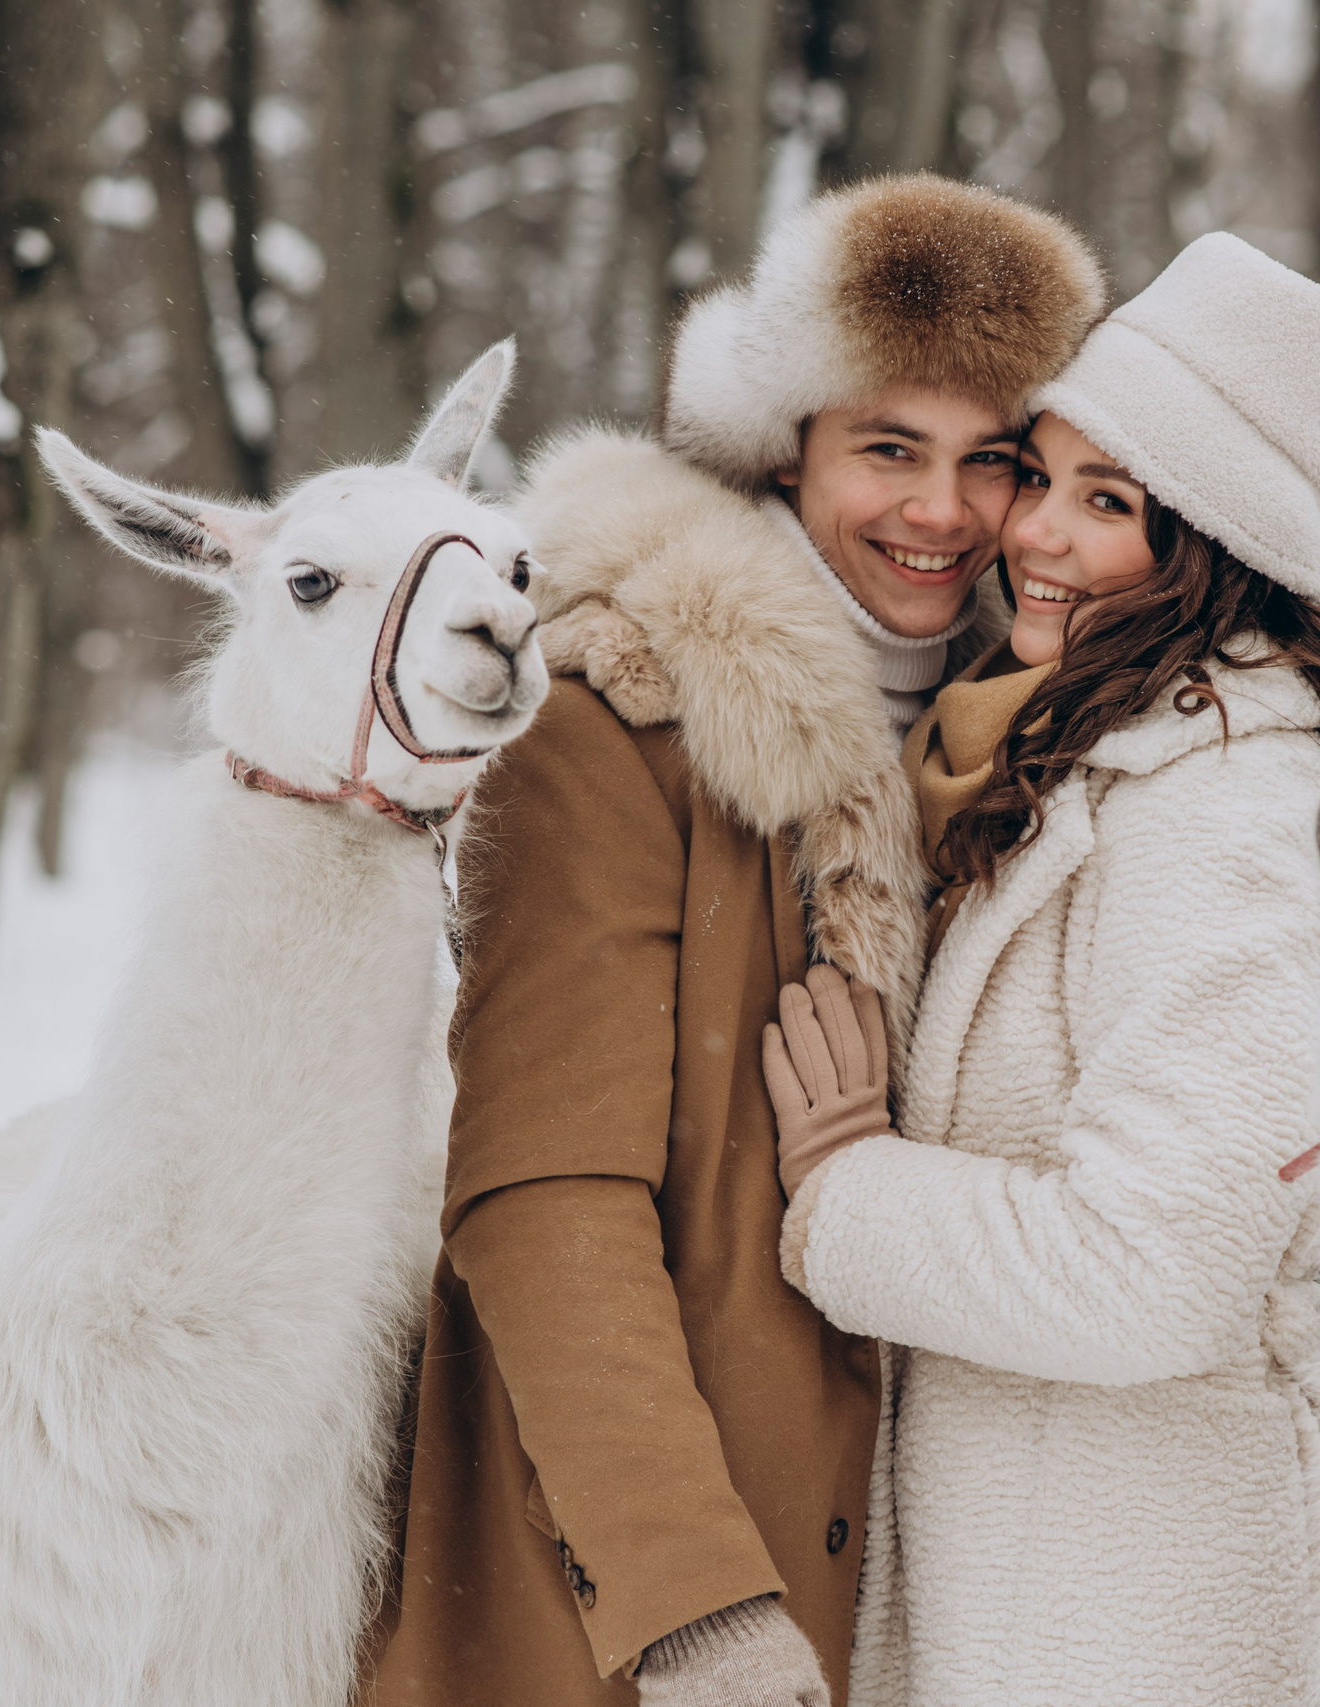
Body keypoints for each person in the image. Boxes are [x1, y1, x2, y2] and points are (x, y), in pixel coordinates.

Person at [362, 175, 1105, 1707]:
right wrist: (692, 1603)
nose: (941, 510)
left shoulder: (1019, 746)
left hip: (938, 1587)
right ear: (788, 447)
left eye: (992, 460)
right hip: (638, 1603)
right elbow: (541, 1197)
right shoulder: (613, 723)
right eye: (888, 449)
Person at [760, 233, 1320, 1705]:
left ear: (1215, 546)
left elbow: (1157, 1272)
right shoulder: (1104, 758)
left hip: (1141, 1618)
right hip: (1047, 1587)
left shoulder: (1227, 815)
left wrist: (845, 1191)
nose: (1034, 537)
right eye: (1043, 478)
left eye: (1108, 502)